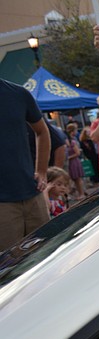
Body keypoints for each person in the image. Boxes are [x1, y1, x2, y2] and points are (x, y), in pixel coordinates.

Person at [0, 78, 50, 251]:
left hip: (32, 194)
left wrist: (42, 171)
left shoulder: (18, 93)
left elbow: (43, 131)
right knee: (9, 269)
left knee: (46, 255)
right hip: (3, 206)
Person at [65, 122, 86, 200]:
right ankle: (79, 193)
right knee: (74, 178)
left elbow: (77, 153)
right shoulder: (71, 140)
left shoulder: (73, 142)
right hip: (72, 162)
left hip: (74, 161)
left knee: (78, 179)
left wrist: (69, 157)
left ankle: (81, 193)